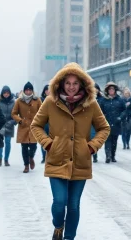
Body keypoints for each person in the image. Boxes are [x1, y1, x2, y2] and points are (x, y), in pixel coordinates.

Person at [30, 63, 110, 240]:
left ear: (81, 84)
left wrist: (91, 147)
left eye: (75, 83)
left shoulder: (91, 104)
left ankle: (69, 237)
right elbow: (36, 125)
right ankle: (58, 225)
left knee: (73, 205)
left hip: (80, 161)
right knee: (59, 203)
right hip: (57, 158)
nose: (71, 87)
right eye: (68, 83)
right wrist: (49, 144)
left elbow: (104, 128)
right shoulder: (51, 102)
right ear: (61, 83)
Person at [12, 82, 42, 173]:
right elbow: (13, 113)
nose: (28, 91)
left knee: (33, 145)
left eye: (30, 90)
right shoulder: (19, 101)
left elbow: (42, 112)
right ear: (24, 90)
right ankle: (26, 165)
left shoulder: (37, 100)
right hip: (23, 127)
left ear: (32, 91)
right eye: (26, 90)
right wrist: (20, 120)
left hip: (34, 127)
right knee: (24, 147)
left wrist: (39, 121)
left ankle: (31, 157)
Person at [99, 82, 126, 163]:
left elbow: (124, 110)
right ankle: (108, 156)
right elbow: (99, 111)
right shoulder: (104, 100)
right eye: (110, 89)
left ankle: (113, 155)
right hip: (106, 123)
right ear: (107, 90)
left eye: (113, 89)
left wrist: (120, 117)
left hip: (116, 123)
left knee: (114, 140)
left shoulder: (119, 99)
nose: (111, 90)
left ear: (115, 90)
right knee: (107, 140)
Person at [0, 86, 16, 167]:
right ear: (2, 93)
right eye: (4, 93)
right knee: (0, 142)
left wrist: (13, 122)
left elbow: (16, 114)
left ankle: (6, 159)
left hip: (9, 124)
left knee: (8, 142)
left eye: (7, 93)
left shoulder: (13, 102)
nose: (6, 94)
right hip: (1, 124)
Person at [90, 83, 104, 163]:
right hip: (89, 121)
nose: (95, 90)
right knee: (91, 137)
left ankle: (94, 154)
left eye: (96, 88)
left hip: (99, 122)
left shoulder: (102, 99)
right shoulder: (87, 98)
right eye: (93, 88)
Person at [40, 84, 50, 163]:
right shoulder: (40, 100)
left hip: (53, 123)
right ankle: (44, 156)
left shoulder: (55, 99)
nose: (48, 92)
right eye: (46, 90)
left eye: (49, 90)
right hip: (43, 123)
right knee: (43, 141)